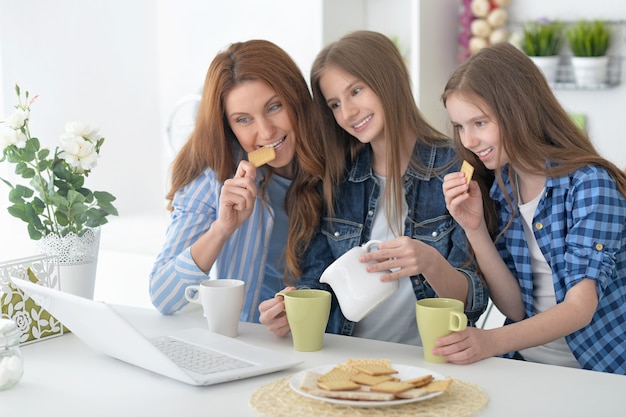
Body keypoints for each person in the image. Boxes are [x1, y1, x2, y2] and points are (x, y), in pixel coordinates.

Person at [259, 30, 488, 345]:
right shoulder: (335, 178)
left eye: (356, 91)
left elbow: (472, 300)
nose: (348, 113)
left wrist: (429, 262)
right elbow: (318, 282)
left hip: (431, 360)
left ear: (388, 79)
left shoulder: (455, 167)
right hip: (346, 357)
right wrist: (292, 306)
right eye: (335, 104)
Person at [439, 42, 626, 374]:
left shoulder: (590, 184)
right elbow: (516, 307)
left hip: (600, 373)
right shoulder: (502, 189)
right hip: (532, 367)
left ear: (518, 109)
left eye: (479, 123)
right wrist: (475, 228)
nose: (468, 141)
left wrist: (490, 341)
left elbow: (580, 308)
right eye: (460, 126)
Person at [150, 39, 338, 323]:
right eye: (243, 120)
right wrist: (221, 229)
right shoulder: (213, 176)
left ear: (296, 99)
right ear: (228, 127)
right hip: (248, 336)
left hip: (320, 333)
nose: (265, 132)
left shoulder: (337, 160)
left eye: (274, 107)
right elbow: (162, 296)